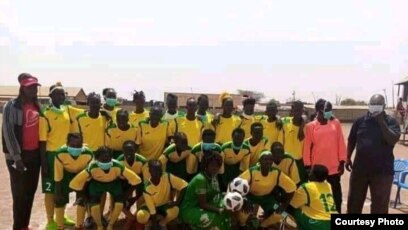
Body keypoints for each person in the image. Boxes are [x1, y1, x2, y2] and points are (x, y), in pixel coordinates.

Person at [346, 94, 400, 214]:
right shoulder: (360, 122)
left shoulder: (391, 122)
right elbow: (351, 139)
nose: (374, 107)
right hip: (360, 171)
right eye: (372, 104)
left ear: (384, 106)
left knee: (379, 208)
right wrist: (348, 157)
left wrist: (381, 122)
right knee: (354, 204)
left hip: (382, 174)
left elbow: (393, 139)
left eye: (378, 105)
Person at [2, 73, 42, 230]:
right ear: (22, 88)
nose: (33, 90)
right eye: (30, 87)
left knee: (30, 192)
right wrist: (17, 158)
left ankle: (24, 225)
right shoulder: (11, 106)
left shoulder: (37, 106)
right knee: (19, 195)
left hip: (34, 155)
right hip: (17, 156)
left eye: (35, 87)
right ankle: (18, 227)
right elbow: (8, 131)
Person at [70, 146, 141, 230]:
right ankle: (99, 225)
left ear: (111, 158)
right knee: (94, 205)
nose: (105, 162)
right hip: (97, 184)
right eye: (103, 160)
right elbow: (74, 183)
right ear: (97, 159)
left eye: (108, 159)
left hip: (113, 183)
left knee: (119, 204)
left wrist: (126, 194)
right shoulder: (92, 167)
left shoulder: (118, 165)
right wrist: (85, 197)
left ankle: (110, 225)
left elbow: (137, 180)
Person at [39, 82, 75, 229]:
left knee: (63, 188)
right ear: (51, 96)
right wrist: (44, 163)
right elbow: (42, 142)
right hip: (51, 156)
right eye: (58, 94)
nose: (61, 97)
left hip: (65, 155)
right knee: (50, 189)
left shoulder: (67, 111)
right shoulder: (45, 115)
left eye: (63, 94)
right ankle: (50, 220)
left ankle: (62, 214)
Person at [303, 99, 346, 213]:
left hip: (333, 167)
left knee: (337, 195)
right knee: (317, 194)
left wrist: (342, 162)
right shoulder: (310, 126)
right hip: (317, 168)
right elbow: (307, 147)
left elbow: (340, 142)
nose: (329, 112)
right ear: (318, 111)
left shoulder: (335, 123)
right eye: (327, 110)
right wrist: (308, 166)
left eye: (330, 110)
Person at [238, 151, 296, 229]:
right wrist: (244, 199)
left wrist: (284, 205)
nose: (268, 161)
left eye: (270, 159)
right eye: (265, 159)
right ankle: (242, 225)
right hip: (251, 196)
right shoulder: (252, 171)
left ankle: (262, 226)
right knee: (243, 214)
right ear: (259, 161)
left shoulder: (276, 172)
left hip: (268, 198)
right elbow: (237, 185)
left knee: (282, 214)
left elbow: (292, 188)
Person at [180, 151, 231, 230]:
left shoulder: (214, 176)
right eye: (212, 165)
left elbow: (216, 194)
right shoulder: (201, 179)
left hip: (205, 204)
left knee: (226, 215)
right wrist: (219, 210)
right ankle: (192, 226)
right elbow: (202, 204)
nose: (215, 168)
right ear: (206, 165)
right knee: (215, 218)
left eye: (218, 165)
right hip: (191, 209)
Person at [54, 133, 93, 230]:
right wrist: (58, 191)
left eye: (78, 145)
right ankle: (60, 227)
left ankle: (79, 225)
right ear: (67, 144)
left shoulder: (89, 154)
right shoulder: (60, 153)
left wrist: (83, 192)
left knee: (82, 199)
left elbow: (88, 174)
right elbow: (58, 175)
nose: (76, 148)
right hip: (65, 174)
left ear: (82, 144)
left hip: (81, 174)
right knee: (59, 200)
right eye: (72, 145)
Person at [136, 160, 188, 228]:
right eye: (155, 170)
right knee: (141, 216)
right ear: (150, 171)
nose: (158, 172)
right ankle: (149, 223)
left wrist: (176, 202)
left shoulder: (168, 176)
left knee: (175, 210)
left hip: (164, 204)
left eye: (159, 170)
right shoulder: (147, 187)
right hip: (151, 207)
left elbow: (184, 186)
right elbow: (152, 209)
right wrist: (155, 226)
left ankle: (162, 223)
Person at [290, 165, 338, 230]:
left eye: (311, 172)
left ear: (314, 176)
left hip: (319, 223)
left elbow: (293, 204)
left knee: (295, 211)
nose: (309, 172)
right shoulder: (328, 185)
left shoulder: (306, 187)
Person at [117, 141, 149, 229]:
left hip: (139, 181)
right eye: (126, 151)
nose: (129, 153)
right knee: (119, 200)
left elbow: (146, 180)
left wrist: (136, 197)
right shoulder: (119, 161)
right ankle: (131, 218)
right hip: (125, 182)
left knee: (142, 196)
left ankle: (139, 218)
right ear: (122, 151)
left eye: (131, 150)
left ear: (135, 150)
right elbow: (119, 178)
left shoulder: (142, 161)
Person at [282, 100, 307, 183]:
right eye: (296, 110)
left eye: (300, 110)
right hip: (286, 159)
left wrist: (303, 123)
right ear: (292, 110)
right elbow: (277, 119)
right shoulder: (285, 122)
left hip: (300, 160)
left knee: (301, 183)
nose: (298, 112)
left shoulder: (306, 126)